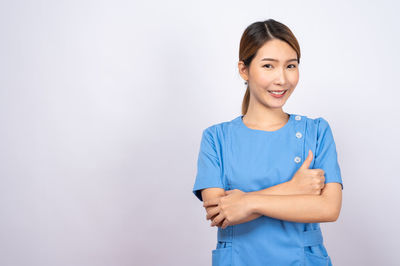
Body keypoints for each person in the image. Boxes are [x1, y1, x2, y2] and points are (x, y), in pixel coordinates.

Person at [192, 19, 343, 266]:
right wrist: (293, 188)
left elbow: (329, 209)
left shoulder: (316, 131)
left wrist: (248, 202)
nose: (282, 79)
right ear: (244, 70)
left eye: (290, 66)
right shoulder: (216, 138)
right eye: (268, 66)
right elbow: (221, 213)